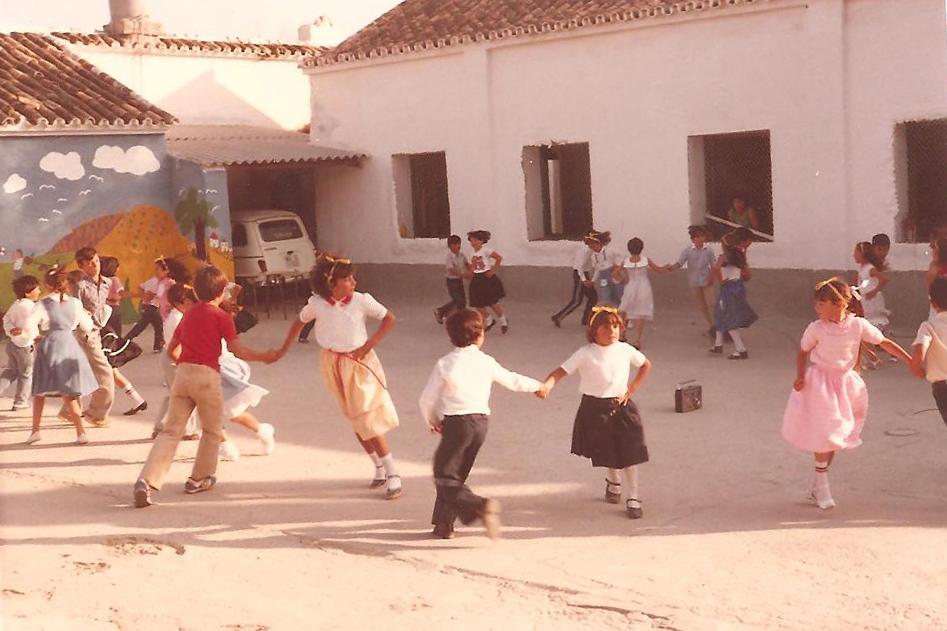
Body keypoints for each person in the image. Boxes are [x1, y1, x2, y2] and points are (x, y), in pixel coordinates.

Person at [133, 266, 278, 508]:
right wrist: (266, 356)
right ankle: (198, 478)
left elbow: (172, 350)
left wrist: (183, 365)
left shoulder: (188, 314)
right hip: (207, 376)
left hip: (183, 376)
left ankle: (146, 482)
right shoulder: (221, 316)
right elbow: (237, 350)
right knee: (212, 429)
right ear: (222, 291)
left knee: (170, 432)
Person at [277, 255, 404, 499]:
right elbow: (298, 323)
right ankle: (378, 466)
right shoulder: (317, 304)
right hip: (332, 362)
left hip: (359, 362)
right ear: (330, 282)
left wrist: (369, 345)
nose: (353, 281)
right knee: (354, 417)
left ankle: (392, 472)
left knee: (365, 416)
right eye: (347, 278)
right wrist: (283, 350)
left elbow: (389, 318)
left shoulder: (361, 301)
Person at [781, 279, 912, 510]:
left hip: (844, 385)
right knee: (825, 434)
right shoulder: (816, 328)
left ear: (838, 303)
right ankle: (822, 487)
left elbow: (885, 342)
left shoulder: (858, 325)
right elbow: (803, 352)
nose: (817, 308)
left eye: (821, 303)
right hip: (820, 385)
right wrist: (800, 376)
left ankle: (817, 483)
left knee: (834, 438)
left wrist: (910, 361)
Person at [419, 309, 544, 540]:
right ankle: (444, 525)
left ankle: (481, 506)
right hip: (480, 425)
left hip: (457, 424)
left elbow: (426, 399)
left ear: (450, 336)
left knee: (444, 476)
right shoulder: (486, 361)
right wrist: (538, 386)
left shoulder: (445, 363)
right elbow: (512, 380)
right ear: (481, 335)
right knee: (456, 476)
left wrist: (433, 420)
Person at [539, 306, 652, 519]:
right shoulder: (585, 353)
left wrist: (632, 389)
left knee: (630, 452)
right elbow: (560, 371)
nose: (612, 331)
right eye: (606, 327)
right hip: (594, 408)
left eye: (616, 326)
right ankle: (614, 481)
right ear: (593, 330)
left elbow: (645, 365)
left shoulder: (625, 350)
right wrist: (547, 385)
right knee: (606, 451)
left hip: (622, 406)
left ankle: (634, 495)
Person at [24, 267, 97, 445]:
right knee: (69, 391)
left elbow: (28, 325)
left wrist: (34, 337)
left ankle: (35, 431)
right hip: (70, 344)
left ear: (47, 285)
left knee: (40, 390)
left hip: (49, 345)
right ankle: (81, 432)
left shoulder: (42, 304)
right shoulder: (75, 303)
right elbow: (87, 326)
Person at [152, 282, 200, 440]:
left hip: (168, 358)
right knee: (187, 396)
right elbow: (176, 348)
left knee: (174, 395)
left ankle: (160, 426)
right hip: (175, 359)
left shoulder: (177, 315)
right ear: (180, 303)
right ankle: (187, 430)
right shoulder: (179, 319)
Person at [74, 247, 115, 426]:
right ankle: (96, 414)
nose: (95, 265)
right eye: (89, 263)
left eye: (96, 261)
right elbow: (73, 310)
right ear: (82, 266)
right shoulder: (79, 286)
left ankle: (69, 410)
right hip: (85, 333)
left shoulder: (107, 282)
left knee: (83, 371)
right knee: (105, 372)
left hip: (97, 331)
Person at [665, 226, 717, 336]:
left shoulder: (709, 250)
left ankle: (716, 325)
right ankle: (711, 325)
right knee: (702, 305)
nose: (701, 239)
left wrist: (712, 277)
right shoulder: (687, 251)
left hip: (706, 280)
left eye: (702, 236)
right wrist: (670, 268)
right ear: (693, 239)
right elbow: (680, 263)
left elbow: (714, 265)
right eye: (698, 237)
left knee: (711, 304)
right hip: (694, 281)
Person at [617, 237, 666, 349]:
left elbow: (615, 273)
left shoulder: (625, 261)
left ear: (629, 249)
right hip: (643, 287)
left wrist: (622, 280)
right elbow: (658, 270)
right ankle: (637, 340)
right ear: (641, 248)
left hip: (630, 286)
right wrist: (667, 268)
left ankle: (622, 335)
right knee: (640, 313)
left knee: (625, 310)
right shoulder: (646, 260)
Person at [911, 277, 947, 427]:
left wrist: (918, 368)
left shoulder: (928, 326)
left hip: (942, 387)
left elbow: (920, 347)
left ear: (932, 303)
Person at [708, 248, 757, 359]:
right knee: (720, 314)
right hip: (737, 287)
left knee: (727, 317)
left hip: (728, 288)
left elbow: (716, 268)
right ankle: (718, 344)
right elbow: (747, 274)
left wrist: (722, 280)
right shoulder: (738, 256)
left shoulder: (724, 257)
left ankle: (741, 350)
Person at [1, 275, 40, 411]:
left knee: (11, 371)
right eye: (37, 289)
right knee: (26, 374)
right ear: (28, 293)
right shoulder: (31, 308)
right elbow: (31, 327)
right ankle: (21, 401)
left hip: (12, 345)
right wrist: (35, 336)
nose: (39, 291)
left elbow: (6, 319)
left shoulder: (16, 304)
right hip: (24, 347)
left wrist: (11, 330)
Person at [124, 257, 175, 352]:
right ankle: (158, 345)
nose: (155, 271)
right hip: (153, 307)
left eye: (157, 269)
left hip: (160, 308)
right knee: (155, 326)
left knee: (154, 326)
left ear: (166, 270)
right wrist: (146, 295)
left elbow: (171, 294)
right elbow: (143, 288)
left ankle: (159, 345)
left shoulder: (169, 282)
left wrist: (171, 305)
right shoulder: (156, 281)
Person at [551, 232, 599, 327]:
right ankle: (559, 317)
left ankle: (586, 318)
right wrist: (584, 280)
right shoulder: (585, 251)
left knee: (593, 297)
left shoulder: (588, 250)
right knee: (577, 301)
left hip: (584, 274)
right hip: (580, 275)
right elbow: (579, 267)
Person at [466, 230, 508, 333]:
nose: (473, 242)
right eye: (471, 240)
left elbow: (498, 258)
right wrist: (470, 274)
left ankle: (503, 321)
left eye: (476, 240)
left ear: (481, 241)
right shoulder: (471, 253)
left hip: (487, 278)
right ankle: (489, 319)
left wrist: (493, 271)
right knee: (477, 304)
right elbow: (472, 266)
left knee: (492, 302)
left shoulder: (486, 250)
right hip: (477, 278)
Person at [434, 235, 468, 325]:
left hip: (459, 280)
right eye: (455, 244)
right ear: (450, 246)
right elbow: (451, 270)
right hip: (452, 281)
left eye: (459, 244)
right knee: (457, 300)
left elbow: (467, 264)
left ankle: (457, 318)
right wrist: (463, 275)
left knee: (462, 302)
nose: (458, 246)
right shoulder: (449, 257)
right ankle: (441, 311)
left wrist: (471, 272)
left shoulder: (462, 255)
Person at [589, 231, 623, 308]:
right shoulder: (593, 257)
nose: (593, 247)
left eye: (594, 244)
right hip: (603, 278)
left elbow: (621, 255)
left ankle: (623, 316)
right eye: (591, 246)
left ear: (600, 243)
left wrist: (618, 266)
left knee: (619, 293)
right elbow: (597, 269)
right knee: (605, 295)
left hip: (614, 275)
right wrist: (593, 280)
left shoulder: (609, 251)